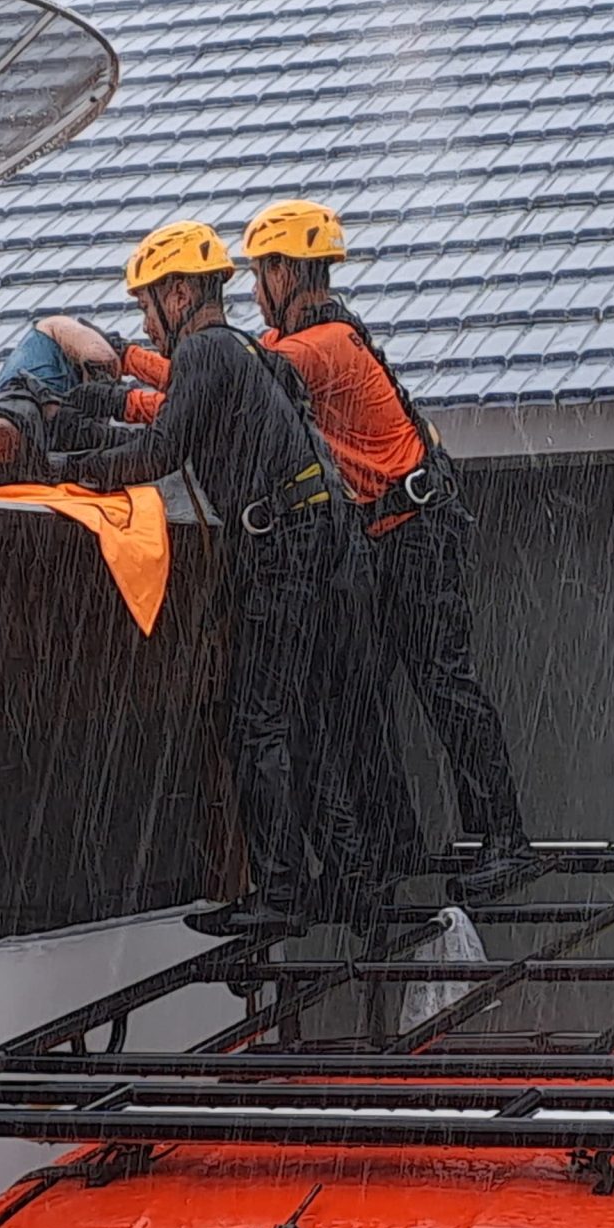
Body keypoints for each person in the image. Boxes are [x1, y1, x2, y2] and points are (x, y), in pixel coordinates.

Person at [99, 201, 536, 902]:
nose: (253, 294)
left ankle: (506, 838)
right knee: (361, 702)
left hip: (416, 532)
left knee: (443, 687)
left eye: (260, 275)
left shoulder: (317, 346)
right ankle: (393, 847)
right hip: (379, 535)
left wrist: (116, 370)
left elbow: (210, 389)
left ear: (283, 271)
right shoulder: (300, 340)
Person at [37, 220, 379, 936]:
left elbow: (160, 451)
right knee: (301, 724)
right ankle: (352, 886)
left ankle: (282, 892)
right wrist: (97, 419)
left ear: (179, 291)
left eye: (144, 306)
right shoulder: (237, 352)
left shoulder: (205, 351)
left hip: (284, 548)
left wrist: (65, 469)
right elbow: (171, 426)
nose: (144, 322)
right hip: (312, 544)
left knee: (255, 727)